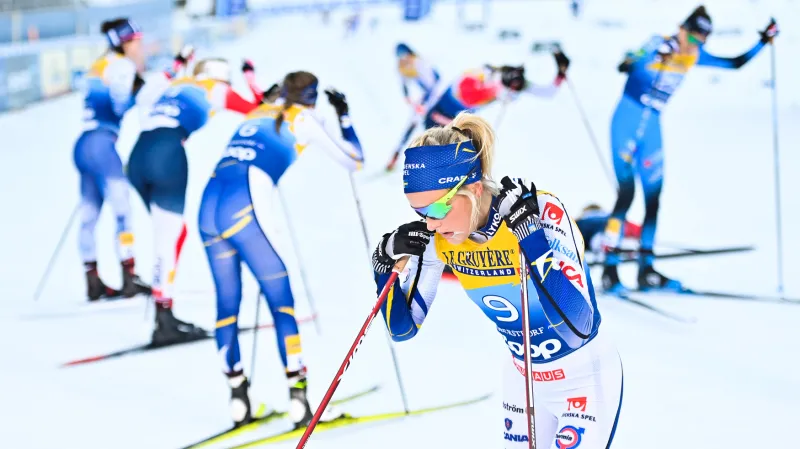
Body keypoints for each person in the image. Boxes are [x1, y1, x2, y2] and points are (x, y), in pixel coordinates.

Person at [372, 112, 623, 448]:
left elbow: (578, 326)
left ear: (472, 188)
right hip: (522, 381)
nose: (429, 224)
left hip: (583, 379)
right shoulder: (440, 239)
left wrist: (531, 240)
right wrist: (383, 263)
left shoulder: (539, 210)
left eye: (435, 210)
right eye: (420, 213)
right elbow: (402, 329)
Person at [198, 71, 363, 428]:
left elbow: (267, 112)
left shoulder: (258, 112)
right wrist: (344, 116)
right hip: (245, 207)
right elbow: (354, 159)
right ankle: (299, 402)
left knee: (227, 304)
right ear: (313, 97)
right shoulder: (304, 118)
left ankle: (239, 400)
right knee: (280, 301)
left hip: (208, 205)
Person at [602, 6, 778, 294]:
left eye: (701, 42)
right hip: (627, 119)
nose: (695, 46)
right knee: (626, 194)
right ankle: (610, 268)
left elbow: (733, 64)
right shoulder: (659, 44)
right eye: (693, 39)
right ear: (682, 29)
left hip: (652, 128)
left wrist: (763, 41)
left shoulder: (692, 55)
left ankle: (646, 270)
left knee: (654, 199)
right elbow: (627, 63)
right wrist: (643, 59)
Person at [127, 58, 264, 346]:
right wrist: (250, 77)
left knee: (172, 234)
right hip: (167, 154)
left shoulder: (176, 84)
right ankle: (164, 319)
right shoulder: (216, 89)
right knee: (169, 237)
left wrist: (176, 65)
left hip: (138, 155)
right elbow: (256, 109)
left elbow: (142, 99)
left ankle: (163, 309)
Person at [74, 17, 151, 301]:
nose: (140, 47)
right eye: (136, 41)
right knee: (123, 212)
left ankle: (92, 280)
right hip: (103, 144)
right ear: (125, 42)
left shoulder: (99, 65)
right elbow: (119, 107)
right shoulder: (122, 66)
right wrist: (138, 91)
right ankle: (129, 275)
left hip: (84, 144)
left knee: (89, 215)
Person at [420, 50, 570, 130]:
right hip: (453, 107)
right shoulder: (489, 75)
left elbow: (547, 92)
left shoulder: (516, 85)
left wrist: (561, 73)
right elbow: (466, 84)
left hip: (457, 109)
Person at [576, 204, 641, 263]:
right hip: (614, 230)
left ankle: (606, 245)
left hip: (593, 237)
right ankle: (622, 246)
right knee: (617, 228)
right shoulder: (611, 216)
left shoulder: (582, 219)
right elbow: (638, 230)